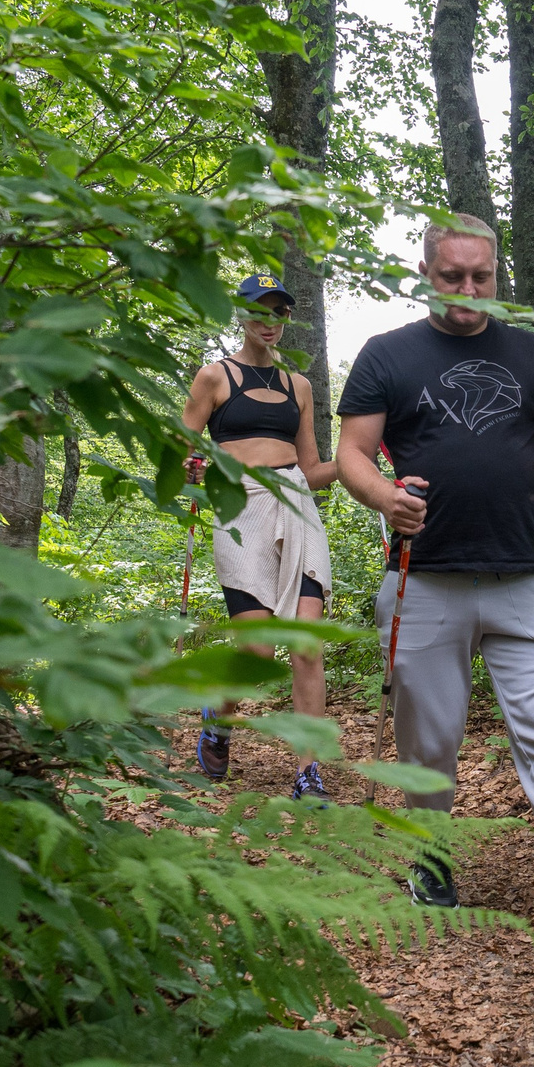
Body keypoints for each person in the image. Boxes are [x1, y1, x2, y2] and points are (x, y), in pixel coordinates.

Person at [334, 214, 534, 949]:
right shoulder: (388, 354)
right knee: (430, 737)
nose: (470, 290)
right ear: (426, 273)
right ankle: (430, 854)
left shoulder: (529, 353)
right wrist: (385, 498)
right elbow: (350, 452)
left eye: (483, 277)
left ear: (497, 274)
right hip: (425, 576)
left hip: (520, 574)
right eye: (453, 277)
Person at [179, 274, 340, 799]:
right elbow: (183, 450)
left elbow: (312, 468)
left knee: (307, 647)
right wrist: (191, 469)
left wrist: (355, 462)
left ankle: (308, 772)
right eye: (260, 312)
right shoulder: (214, 377)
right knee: (257, 651)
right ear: (241, 315)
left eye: (280, 313)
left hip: (296, 502)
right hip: (238, 502)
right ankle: (219, 719)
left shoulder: (300, 386)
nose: (271, 322)